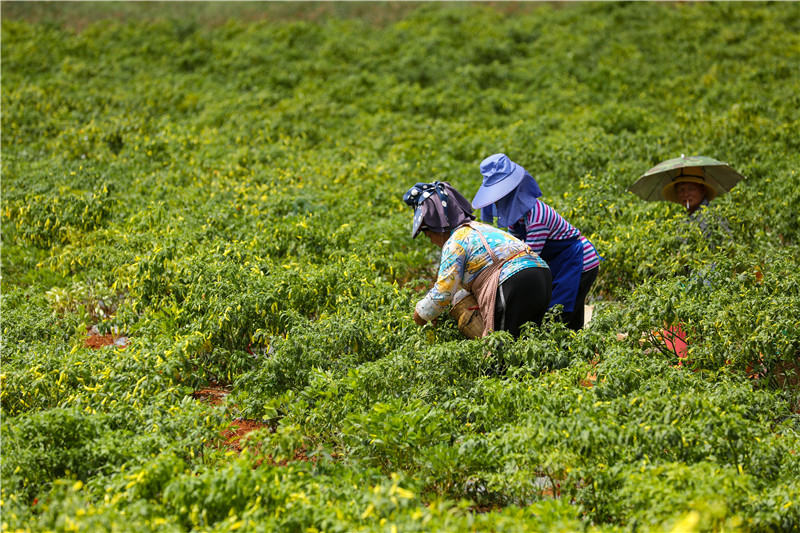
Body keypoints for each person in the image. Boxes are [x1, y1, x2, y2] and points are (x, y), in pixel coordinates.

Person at [403, 181, 552, 338]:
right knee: (530, 341)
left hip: (514, 282)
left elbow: (443, 292)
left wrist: (420, 315)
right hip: (542, 275)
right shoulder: (480, 228)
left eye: (429, 236)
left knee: (503, 350)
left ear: (437, 227)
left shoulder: (455, 241)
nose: (432, 242)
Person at [472, 153, 599, 331]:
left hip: (580, 262)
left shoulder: (537, 217)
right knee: (567, 316)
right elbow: (513, 249)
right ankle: (579, 352)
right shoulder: (516, 219)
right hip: (560, 263)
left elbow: (530, 260)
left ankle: (573, 353)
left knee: (559, 315)